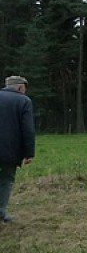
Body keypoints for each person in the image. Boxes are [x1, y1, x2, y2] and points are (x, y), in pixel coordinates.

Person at [0, 76, 35, 223]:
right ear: (20, 87)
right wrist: (29, 153)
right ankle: (1, 212)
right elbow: (27, 129)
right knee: (6, 180)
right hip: (10, 151)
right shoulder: (23, 101)